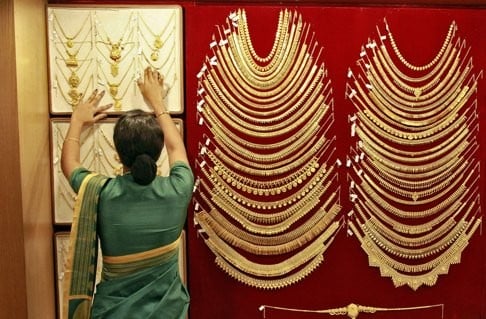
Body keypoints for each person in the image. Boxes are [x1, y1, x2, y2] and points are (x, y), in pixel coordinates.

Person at [61, 67, 194, 319]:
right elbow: (176, 147)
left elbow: (69, 164)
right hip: (169, 312)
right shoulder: (178, 189)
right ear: (157, 151)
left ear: (118, 154)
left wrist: (77, 121)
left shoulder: (101, 192)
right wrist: (157, 102)